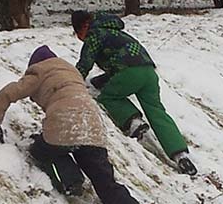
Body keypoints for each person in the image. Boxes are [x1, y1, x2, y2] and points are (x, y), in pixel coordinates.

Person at [0, 45, 158, 204]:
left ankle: (70, 180)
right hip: (93, 128)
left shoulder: (39, 71)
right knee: (107, 183)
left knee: (41, 149)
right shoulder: (72, 74)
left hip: (64, 122)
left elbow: (8, 93)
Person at [71, 10, 197, 176]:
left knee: (108, 97)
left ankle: (134, 122)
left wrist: (71, 81)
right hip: (149, 73)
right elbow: (119, 57)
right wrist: (101, 80)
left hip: (128, 72)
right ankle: (180, 154)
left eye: (76, 32)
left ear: (84, 25)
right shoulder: (116, 32)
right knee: (156, 110)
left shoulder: (95, 34)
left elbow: (85, 63)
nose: (79, 37)